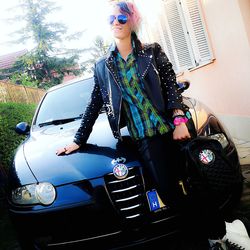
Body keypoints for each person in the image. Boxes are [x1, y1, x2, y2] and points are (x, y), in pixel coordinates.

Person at [56, 1, 248, 249]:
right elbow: (94, 104)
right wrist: (77, 140)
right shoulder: (103, 67)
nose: (116, 22)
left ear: (132, 21)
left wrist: (179, 120)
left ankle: (220, 233)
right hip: (146, 138)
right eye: (111, 19)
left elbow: (170, 88)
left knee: (198, 183)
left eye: (122, 18)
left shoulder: (152, 51)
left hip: (173, 129)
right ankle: (213, 233)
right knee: (170, 193)